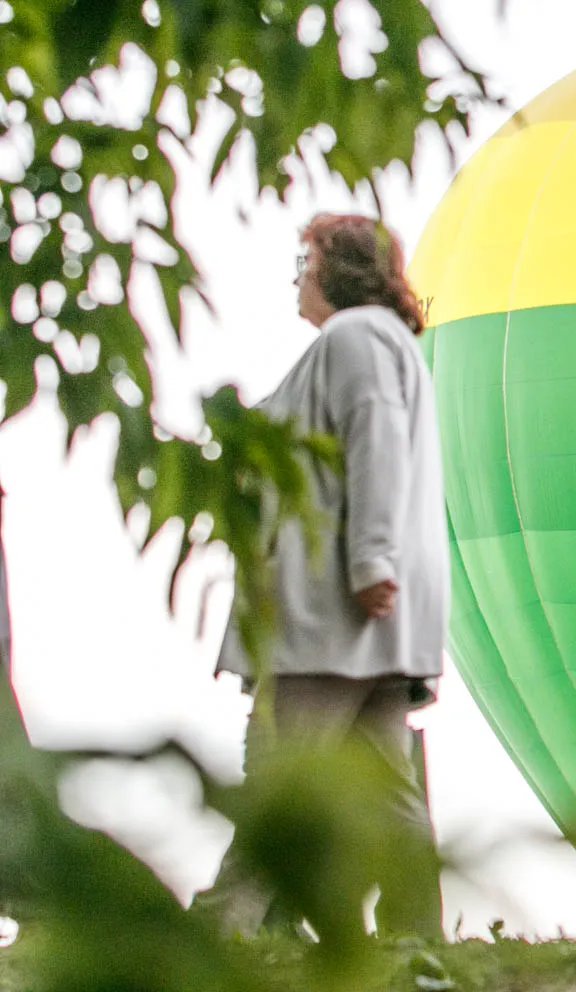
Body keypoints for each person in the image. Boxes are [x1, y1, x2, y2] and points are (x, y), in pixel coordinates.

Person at [205, 212, 449, 940]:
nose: (296, 275)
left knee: (281, 778)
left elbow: (373, 441)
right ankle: (416, 938)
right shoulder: (380, 343)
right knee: (386, 788)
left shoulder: (355, 339)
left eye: (304, 259)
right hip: (368, 616)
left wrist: (370, 559)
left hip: (333, 610)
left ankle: (220, 932)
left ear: (337, 270)